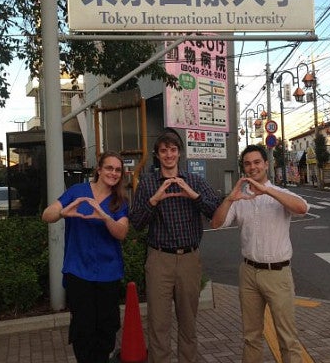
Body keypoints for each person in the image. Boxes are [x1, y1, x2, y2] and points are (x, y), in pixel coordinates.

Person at [211, 144, 309, 363]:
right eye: (247, 163)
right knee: (251, 336)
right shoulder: (239, 198)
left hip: (277, 273)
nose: (252, 167)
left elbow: (302, 208)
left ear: (266, 164)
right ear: (243, 167)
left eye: (257, 162)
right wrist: (229, 198)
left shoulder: (279, 194)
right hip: (248, 272)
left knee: (287, 338)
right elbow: (216, 223)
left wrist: (267, 191)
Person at [130, 130, 220, 363]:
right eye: (163, 151)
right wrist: (155, 199)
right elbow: (137, 223)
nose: (168, 155)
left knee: (188, 322)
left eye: (172, 150)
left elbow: (216, 213)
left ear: (179, 153)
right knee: (158, 323)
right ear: (157, 155)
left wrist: (193, 196)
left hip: (189, 258)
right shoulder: (148, 184)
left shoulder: (195, 181)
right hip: (159, 258)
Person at [42, 151, 129, 363]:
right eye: (109, 168)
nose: (113, 173)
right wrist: (63, 212)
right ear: (98, 169)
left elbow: (121, 233)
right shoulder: (77, 192)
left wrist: (105, 216)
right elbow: (47, 215)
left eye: (118, 170)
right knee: (83, 329)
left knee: (106, 328)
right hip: (78, 272)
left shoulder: (119, 201)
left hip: (108, 274)